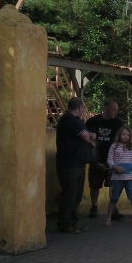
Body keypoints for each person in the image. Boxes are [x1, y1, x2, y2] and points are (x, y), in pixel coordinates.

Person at [54, 97, 95, 234]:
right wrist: (91, 139)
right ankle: (64, 223)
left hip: (77, 163)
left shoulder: (77, 121)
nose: (83, 110)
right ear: (80, 108)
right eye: (83, 108)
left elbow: (87, 135)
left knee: (76, 194)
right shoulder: (68, 119)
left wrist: (90, 138)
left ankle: (73, 222)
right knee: (69, 194)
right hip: (69, 164)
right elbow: (85, 135)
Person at [85, 100, 124, 220]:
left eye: (117, 110)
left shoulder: (118, 123)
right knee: (95, 185)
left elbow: (123, 138)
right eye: (113, 110)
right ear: (106, 108)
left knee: (113, 185)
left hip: (112, 159)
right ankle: (94, 207)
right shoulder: (93, 121)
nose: (115, 112)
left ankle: (113, 208)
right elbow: (86, 136)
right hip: (96, 159)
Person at [105, 126, 132, 228]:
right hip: (117, 177)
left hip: (130, 177)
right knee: (114, 197)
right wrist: (115, 166)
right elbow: (109, 159)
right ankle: (108, 218)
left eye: (128, 135)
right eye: (123, 134)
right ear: (119, 135)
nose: (125, 136)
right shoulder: (114, 146)